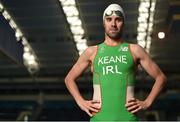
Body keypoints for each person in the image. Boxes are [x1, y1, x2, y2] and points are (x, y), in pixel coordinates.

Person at [64, 3, 166, 121]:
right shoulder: (92, 52)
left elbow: (160, 77)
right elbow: (69, 79)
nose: (113, 24)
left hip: (127, 119)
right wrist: (81, 102)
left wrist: (147, 102)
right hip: (99, 119)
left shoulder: (134, 50)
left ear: (123, 23)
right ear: (104, 23)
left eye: (118, 20)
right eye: (109, 19)